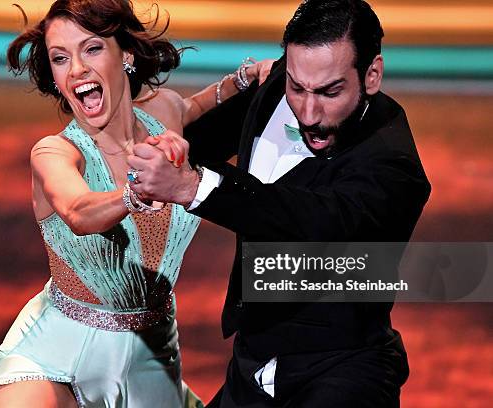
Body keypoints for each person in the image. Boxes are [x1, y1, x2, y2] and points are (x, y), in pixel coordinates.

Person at [0, 1, 272, 407]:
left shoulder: (164, 111)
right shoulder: (54, 152)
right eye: (60, 58)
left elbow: (197, 105)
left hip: (153, 358)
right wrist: (136, 191)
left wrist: (247, 77)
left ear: (124, 54)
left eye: (91, 49)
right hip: (57, 351)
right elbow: (77, 211)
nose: (76, 70)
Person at [128, 0, 431, 407]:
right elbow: (203, 142)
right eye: (297, 87)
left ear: (372, 75)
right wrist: (173, 150)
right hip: (250, 367)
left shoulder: (394, 168)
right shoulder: (276, 87)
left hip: (340, 372)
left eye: (330, 92)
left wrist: (192, 186)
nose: (307, 112)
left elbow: (302, 219)